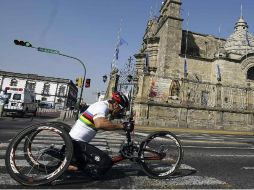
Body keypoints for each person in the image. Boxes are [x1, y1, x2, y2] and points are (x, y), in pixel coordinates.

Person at [68, 91, 130, 178]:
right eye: (121, 109)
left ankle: (72, 166)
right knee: (106, 162)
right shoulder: (102, 106)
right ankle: (73, 170)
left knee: (94, 161)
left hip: (77, 143)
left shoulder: (103, 107)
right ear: (116, 104)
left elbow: (106, 123)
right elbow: (100, 124)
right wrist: (122, 126)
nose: (120, 111)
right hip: (76, 144)